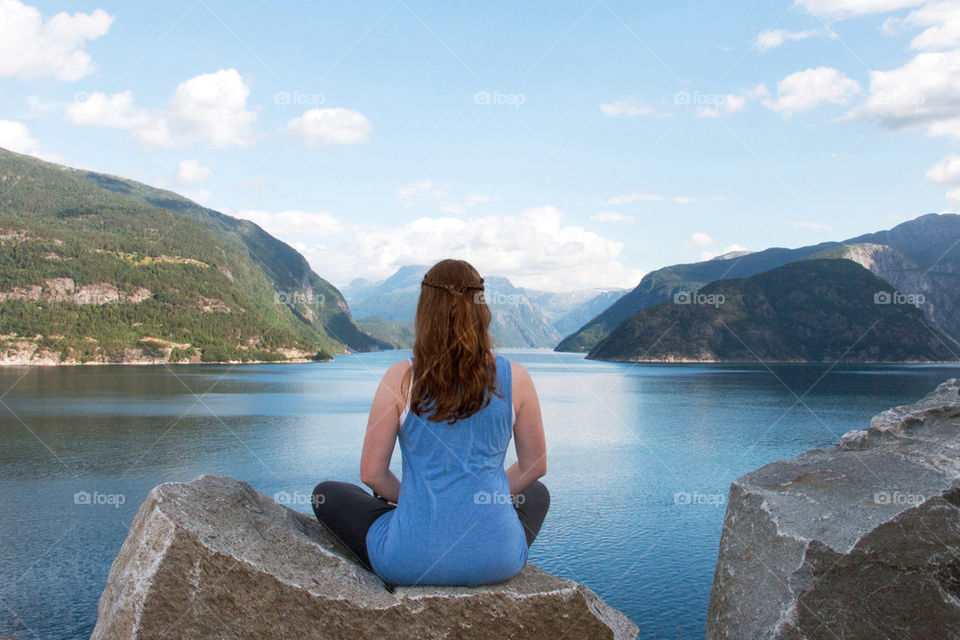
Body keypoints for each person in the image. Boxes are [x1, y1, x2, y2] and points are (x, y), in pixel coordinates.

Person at [312, 258, 549, 587]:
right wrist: (481, 495)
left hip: (408, 562)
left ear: (425, 311)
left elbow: (372, 475)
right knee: (537, 493)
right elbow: (534, 465)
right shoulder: (516, 378)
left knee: (327, 494)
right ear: (482, 309)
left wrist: (413, 497)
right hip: (498, 560)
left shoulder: (401, 378)